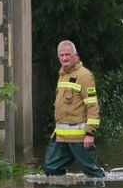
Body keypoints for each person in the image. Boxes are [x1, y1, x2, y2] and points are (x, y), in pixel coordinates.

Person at [44, 40, 105, 177]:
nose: (64, 58)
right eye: (62, 55)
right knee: (50, 168)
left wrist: (90, 133)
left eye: (67, 54)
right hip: (60, 135)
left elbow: (92, 105)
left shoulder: (84, 75)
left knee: (91, 173)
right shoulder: (63, 75)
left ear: (75, 55)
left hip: (79, 136)